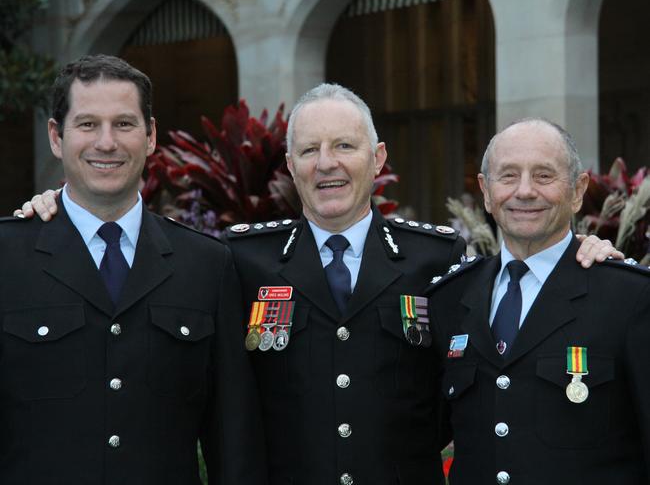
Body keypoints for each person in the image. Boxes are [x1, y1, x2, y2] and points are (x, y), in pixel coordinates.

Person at [18, 86, 621, 485]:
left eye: (344, 146)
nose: (326, 162)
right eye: (309, 149)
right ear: (290, 165)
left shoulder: (436, 257)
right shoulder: (240, 259)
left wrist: (584, 255)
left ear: (377, 157)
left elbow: (477, 372)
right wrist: (59, 209)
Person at [0, 55, 267, 485]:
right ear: (56, 136)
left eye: (124, 124)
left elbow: (233, 441)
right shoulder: (7, 257)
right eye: (87, 124)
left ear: (150, 136)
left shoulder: (207, 265)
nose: (106, 142)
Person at [427, 118, 650, 485]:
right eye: (508, 176)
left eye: (544, 176)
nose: (525, 191)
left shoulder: (630, 298)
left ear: (578, 190)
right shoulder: (450, 299)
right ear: (485, 190)